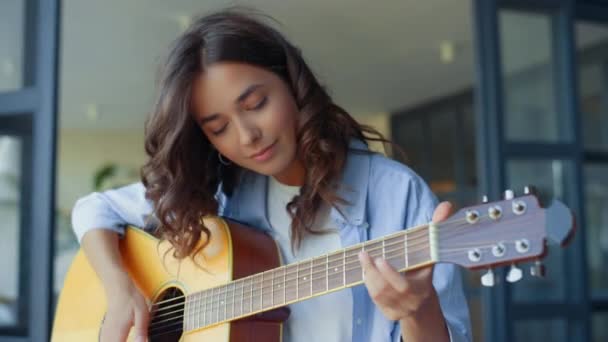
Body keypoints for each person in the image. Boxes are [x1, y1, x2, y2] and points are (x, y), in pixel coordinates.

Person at [71, 7, 471, 342]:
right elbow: (92, 209)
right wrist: (119, 287)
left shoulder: (396, 194)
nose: (247, 136)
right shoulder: (215, 192)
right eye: (218, 128)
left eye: (257, 103)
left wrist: (419, 311)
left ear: (291, 83)